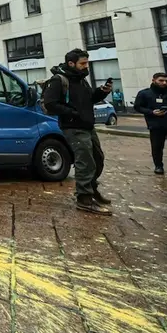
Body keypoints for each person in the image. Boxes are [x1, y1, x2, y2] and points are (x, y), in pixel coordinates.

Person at [43, 48, 113, 216]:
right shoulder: (59, 80)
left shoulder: (82, 80)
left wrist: (101, 92)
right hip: (73, 127)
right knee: (85, 161)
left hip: (88, 125)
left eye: (86, 63)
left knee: (98, 159)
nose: (85, 66)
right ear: (71, 63)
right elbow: (50, 103)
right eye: (83, 63)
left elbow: (89, 99)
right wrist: (73, 113)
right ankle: (84, 199)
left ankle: (91, 189)